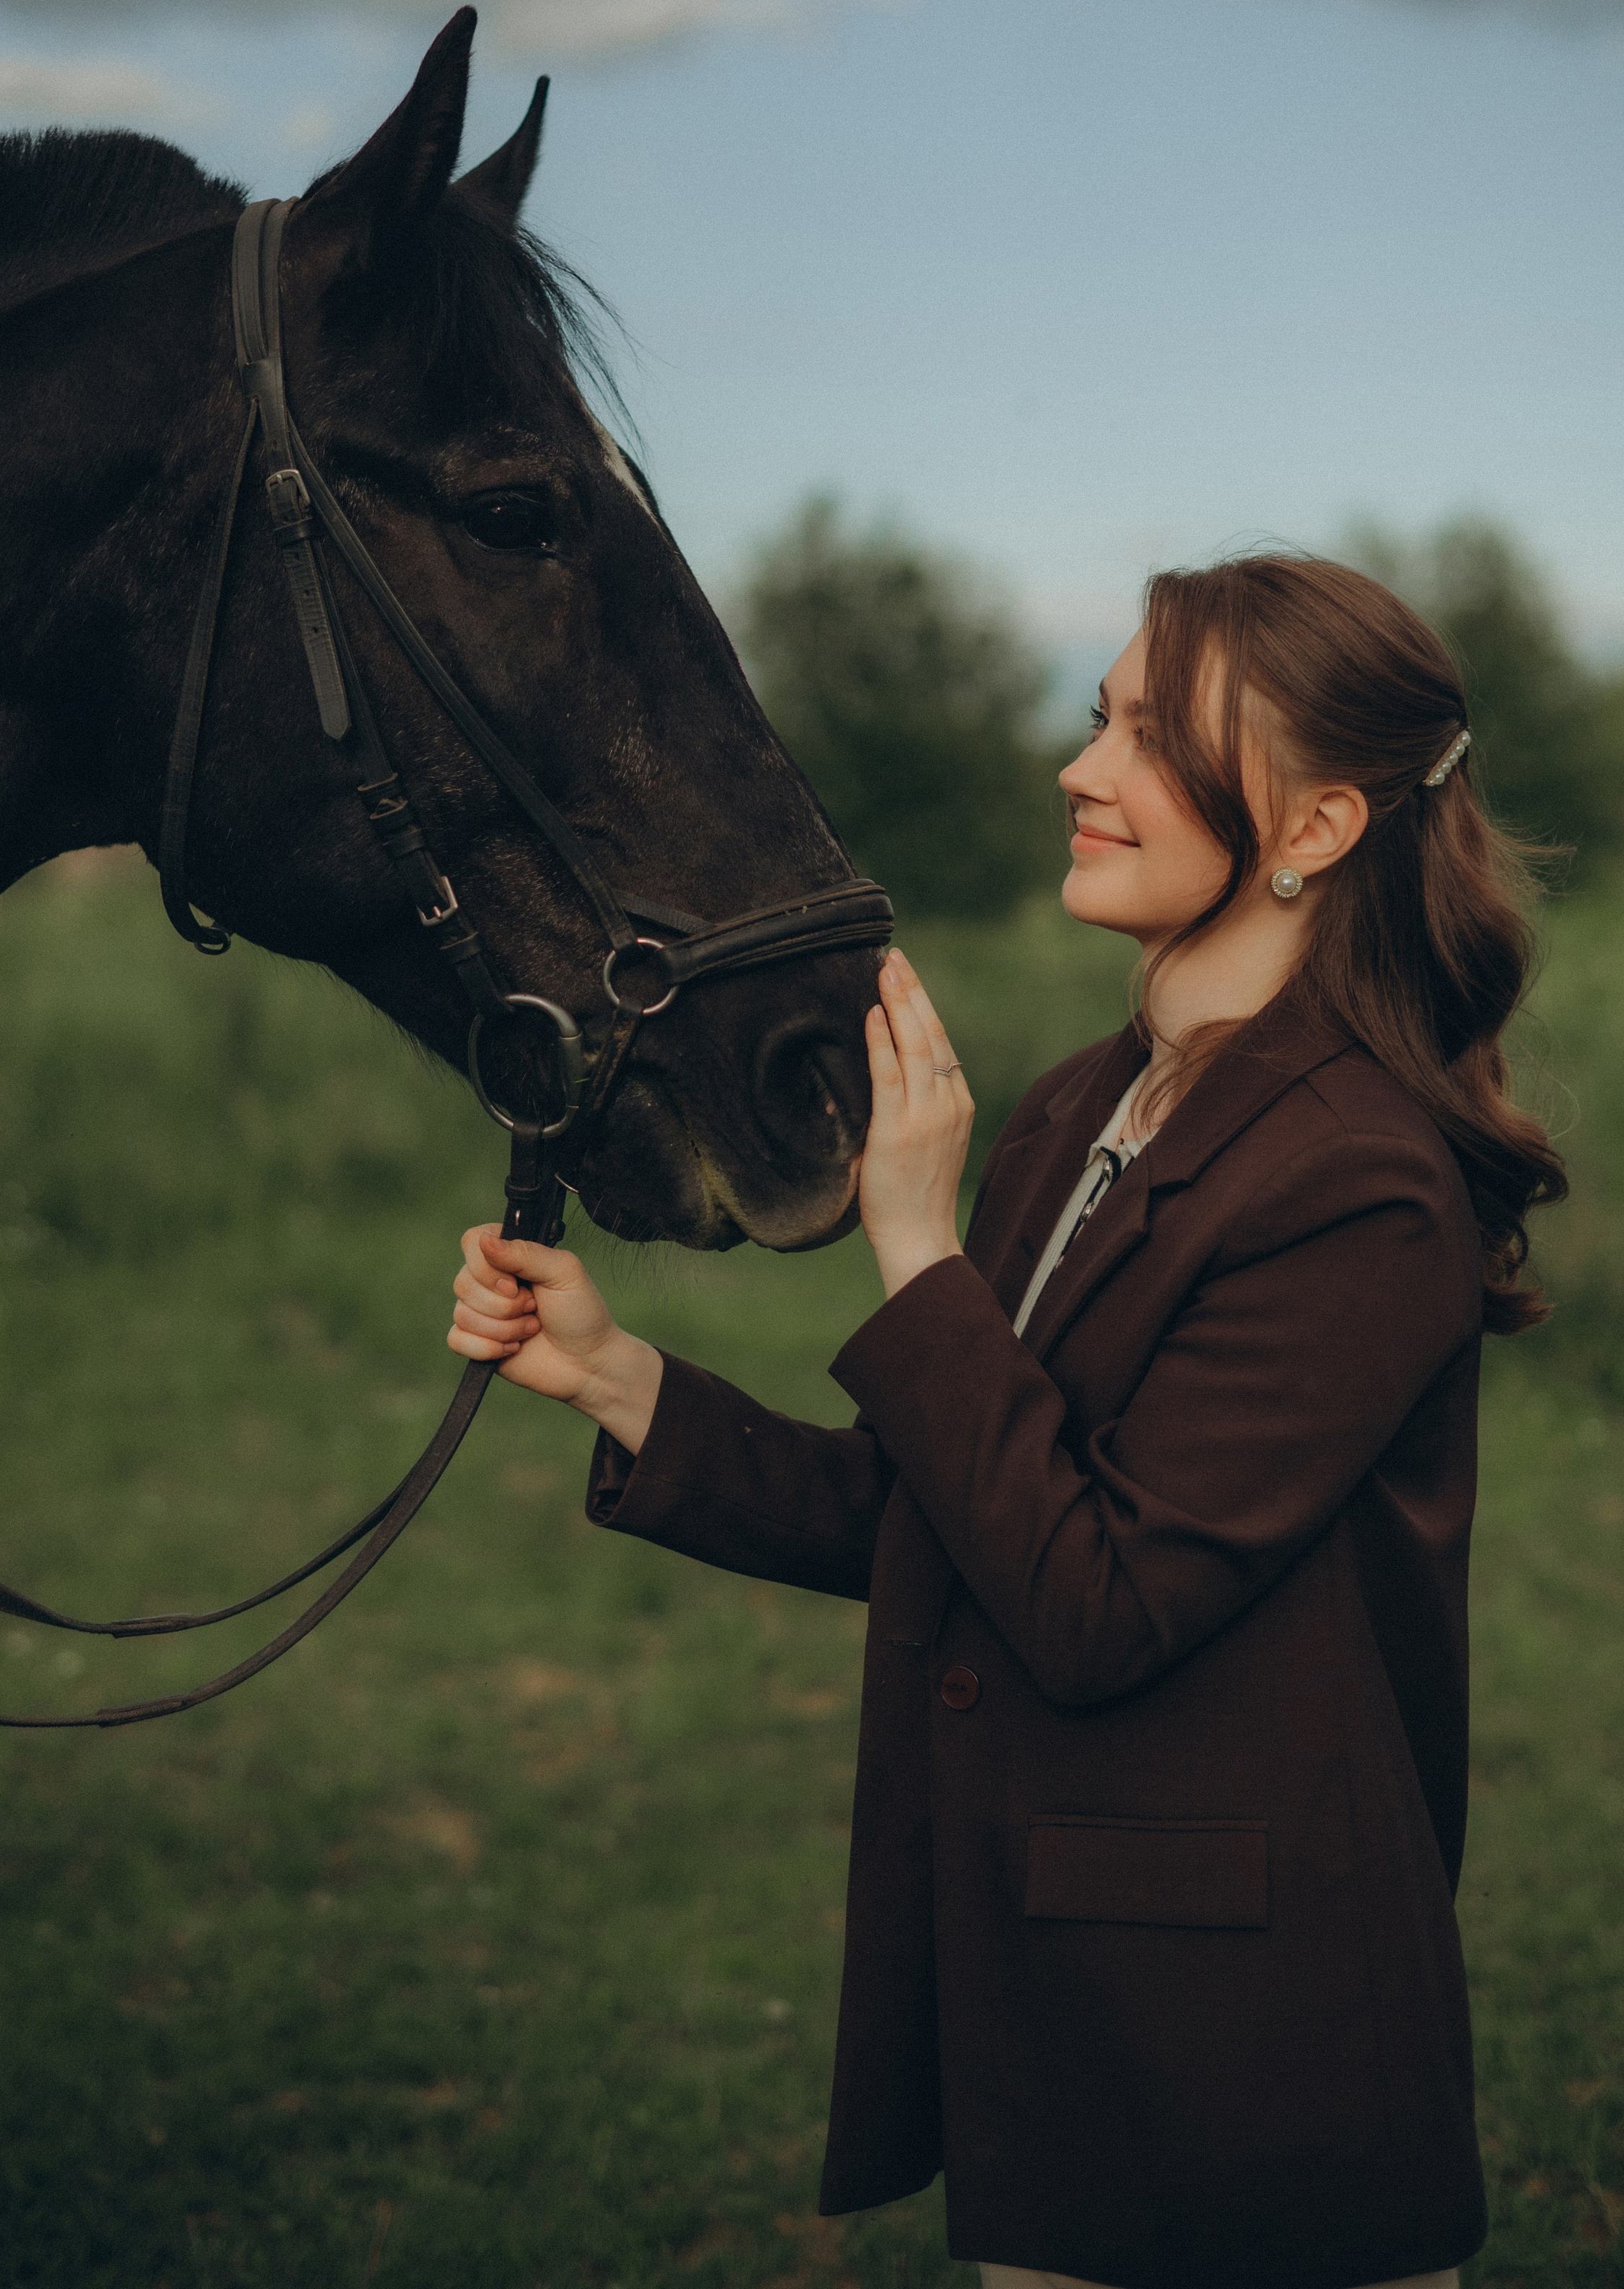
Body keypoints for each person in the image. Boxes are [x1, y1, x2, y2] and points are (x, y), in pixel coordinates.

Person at [448, 552, 1566, 2289]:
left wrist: (912, 1243)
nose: (1079, 765)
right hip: (1055, 2007)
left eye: (1149, 736)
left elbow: (1094, 1596)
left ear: (1316, 825)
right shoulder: (1075, 1110)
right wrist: (617, 1376)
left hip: (1249, 2051)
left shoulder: (1360, 1181)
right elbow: (955, 1508)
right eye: (1099, 716)